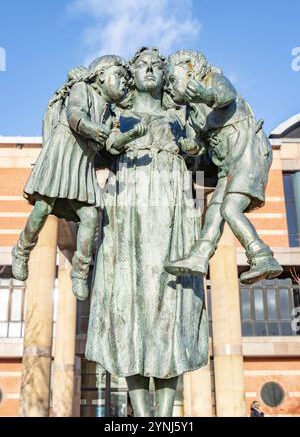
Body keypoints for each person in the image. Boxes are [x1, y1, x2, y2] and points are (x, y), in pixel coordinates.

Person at [86, 47, 208, 417]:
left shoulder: (180, 115)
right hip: (128, 213)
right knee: (130, 302)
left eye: (158, 65)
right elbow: (96, 149)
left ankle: (167, 413)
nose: (151, 69)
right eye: (142, 65)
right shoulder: (116, 114)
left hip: (173, 209)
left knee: (173, 305)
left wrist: (191, 146)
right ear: (131, 74)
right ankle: (141, 414)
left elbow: (200, 152)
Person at [11, 56, 130, 301]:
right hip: (62, 155)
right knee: (43, 207)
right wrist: (91, 127)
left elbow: (110, 143)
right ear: (100, 75)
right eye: (119, 76)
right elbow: (75, 114)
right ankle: (22, 250)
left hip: (82, 165)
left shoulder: (109, 113)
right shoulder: (82, 89)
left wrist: (127, 137)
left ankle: (80, 272)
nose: (123, 83)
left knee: (89, 215)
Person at [164, 50, 283, 285]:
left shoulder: (212, 79)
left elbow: (225, 95)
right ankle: (199, 257)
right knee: (214, 213)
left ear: (189, 69)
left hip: (247, 150)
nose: (169, 86)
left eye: (171, 79)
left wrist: (205, 94)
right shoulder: (190, 112)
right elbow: (196, 145)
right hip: (226, 165)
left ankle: (262, 256)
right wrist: (189, 146)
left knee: (230, 209)